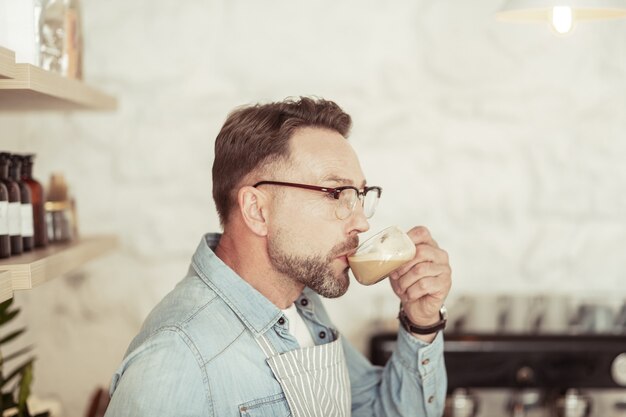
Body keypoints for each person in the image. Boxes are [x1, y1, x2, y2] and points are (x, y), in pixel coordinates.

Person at [104, 97, 452, 417]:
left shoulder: (302, 305)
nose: (361, 221)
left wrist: (420, 322)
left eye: (359, 195)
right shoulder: (175, 358)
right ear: (257, 210)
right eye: (336, 193)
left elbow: (376, 411)